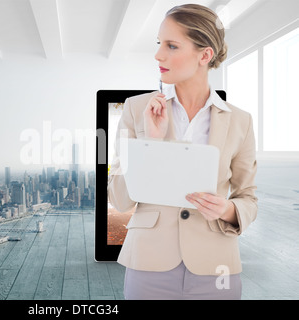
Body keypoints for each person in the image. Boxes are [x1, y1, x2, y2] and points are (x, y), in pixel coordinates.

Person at [107, 4, 257, 300]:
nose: (158, 55)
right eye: (159, 44)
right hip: (148, 263)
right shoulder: (137, 109)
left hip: (217, 266)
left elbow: (248, 197)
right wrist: (151, 141)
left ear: (205, 55)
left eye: (172, 45)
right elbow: (119, 198)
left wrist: (227, 210)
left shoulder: (240, 120)